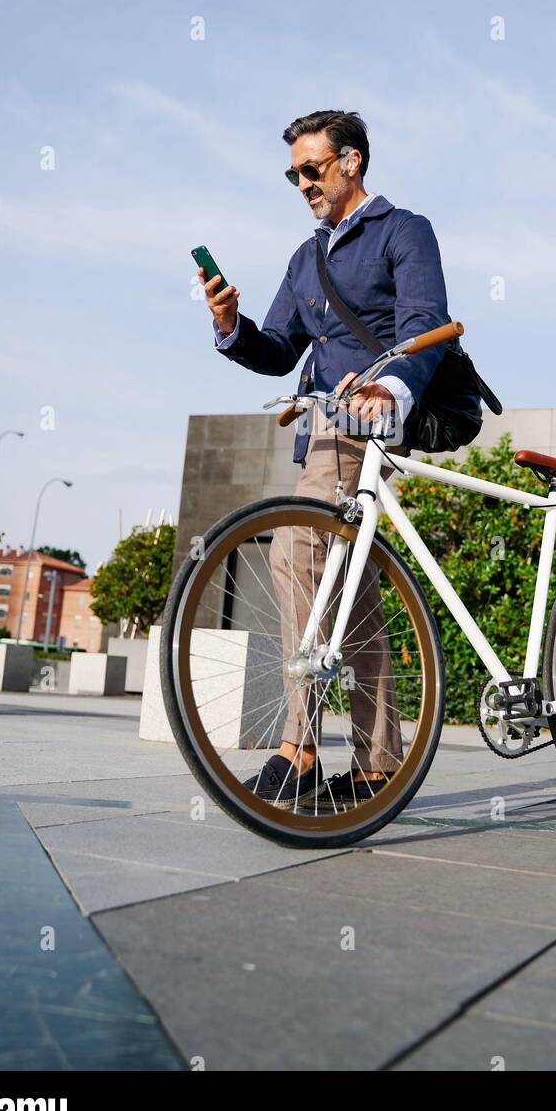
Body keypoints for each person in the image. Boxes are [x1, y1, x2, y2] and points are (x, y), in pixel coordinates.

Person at [200, 109, 456, 808]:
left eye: (311, 169)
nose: (302, 183)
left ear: (351, 162)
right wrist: (231, 327)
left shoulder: (404, 231)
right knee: (355, 594)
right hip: (322, 435)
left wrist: (387, 387)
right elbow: (280, 348)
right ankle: (378, 766)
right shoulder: (305, 258)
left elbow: (425, 325)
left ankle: (300, 743)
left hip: (368, 424)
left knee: (295, 544)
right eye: (293, 174)